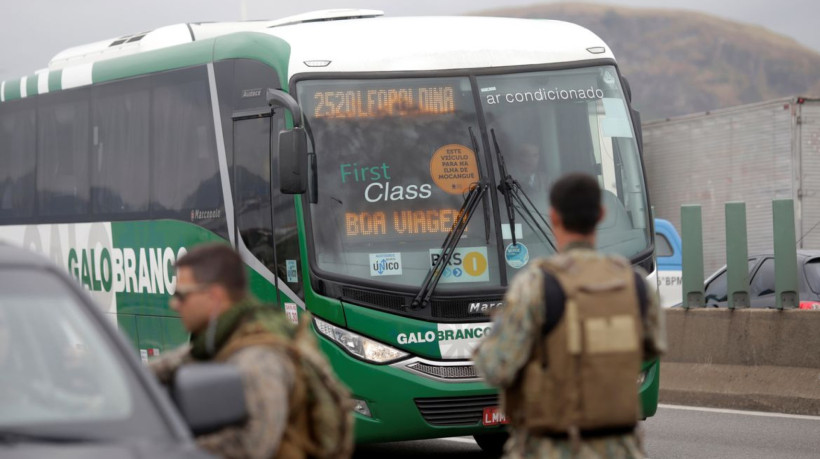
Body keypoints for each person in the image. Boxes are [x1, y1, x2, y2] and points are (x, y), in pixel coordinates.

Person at [474, 173, 666, 458]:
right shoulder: (634, 284)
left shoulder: (535, 286)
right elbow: (650, 347)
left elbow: (494, 367)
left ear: (553, 217)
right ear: (601, 215)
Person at [150, 243, 303, 459]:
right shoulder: (221, 338)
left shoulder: (258, 359)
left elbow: (254, 446)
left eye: (181, 295)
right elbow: (171, 364)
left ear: (214, 297)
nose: (174, 304)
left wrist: (171, 451)